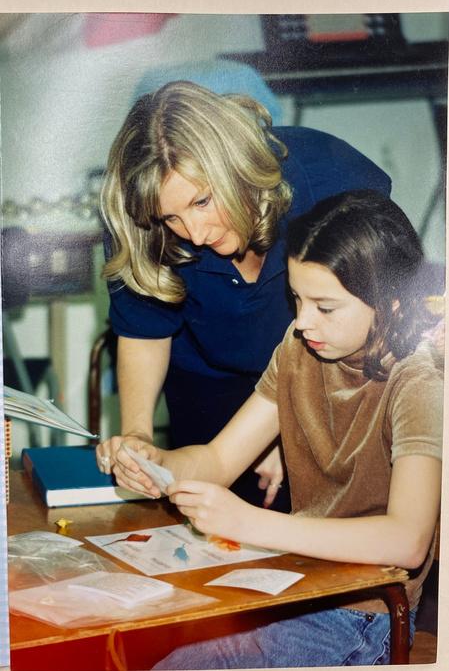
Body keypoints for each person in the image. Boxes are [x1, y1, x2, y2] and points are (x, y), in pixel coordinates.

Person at [110, 189, 443, 669]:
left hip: (364, 616)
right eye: (296, 299)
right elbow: (219, 460)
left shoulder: (419, 381)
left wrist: (247, 523)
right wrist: (154, 462)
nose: (302, 321)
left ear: (390, 303)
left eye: (325, 307)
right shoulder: (298, 348)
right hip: (296, 586)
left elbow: (407, 541)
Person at [96, 80, 392, 511]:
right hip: (212, 388)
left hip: (326, 377)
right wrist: (140, 439)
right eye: (170, 218)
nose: (195, 234)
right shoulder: (141, 228)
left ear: (236, 168)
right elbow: (145, 333)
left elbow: (383, 307)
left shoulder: (328, 175)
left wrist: (294, 427)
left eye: (202, 201)